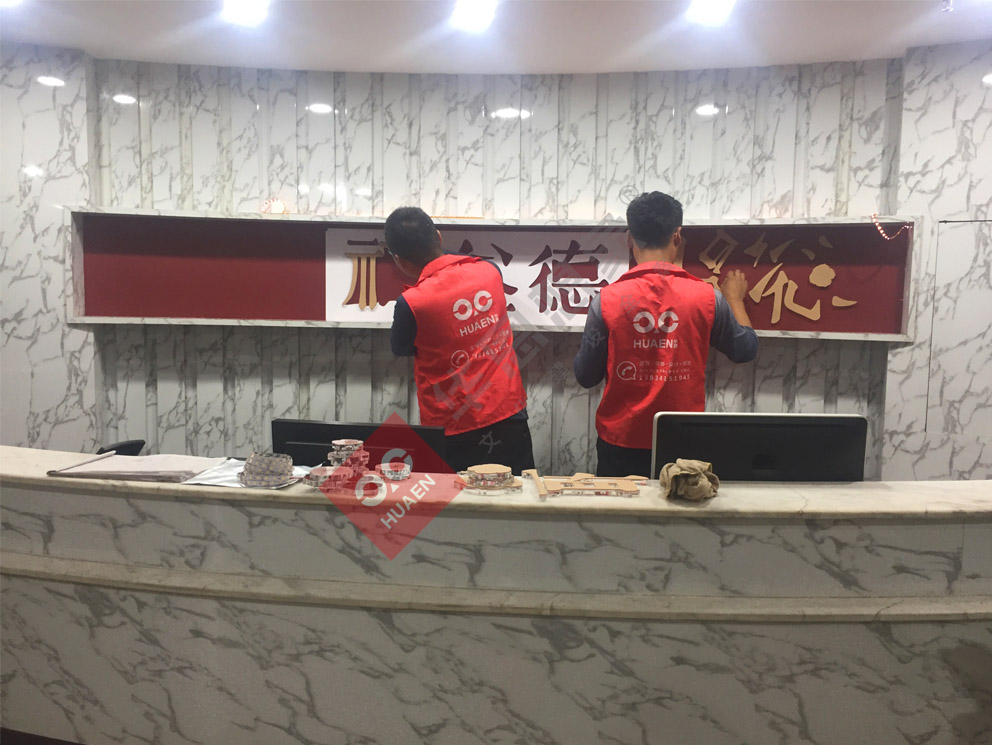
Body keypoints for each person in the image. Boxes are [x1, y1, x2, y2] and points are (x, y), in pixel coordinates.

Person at [573, 191, 758, 477]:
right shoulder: (707, 297)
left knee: (621, 507)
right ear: (677, 236)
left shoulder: (606, 300)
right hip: (683, 441)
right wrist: (735, 299)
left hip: (621, 444)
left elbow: (586, 375)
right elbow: (745, 350)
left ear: (629, 238)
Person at [384, 206, 535, 474]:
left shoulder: (411, 304)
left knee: (455, 498)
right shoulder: (490, 271)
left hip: (452, 426)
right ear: (439, 236)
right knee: (518, 493)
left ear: (399, 261)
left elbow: (401, 348)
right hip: (507, 412)